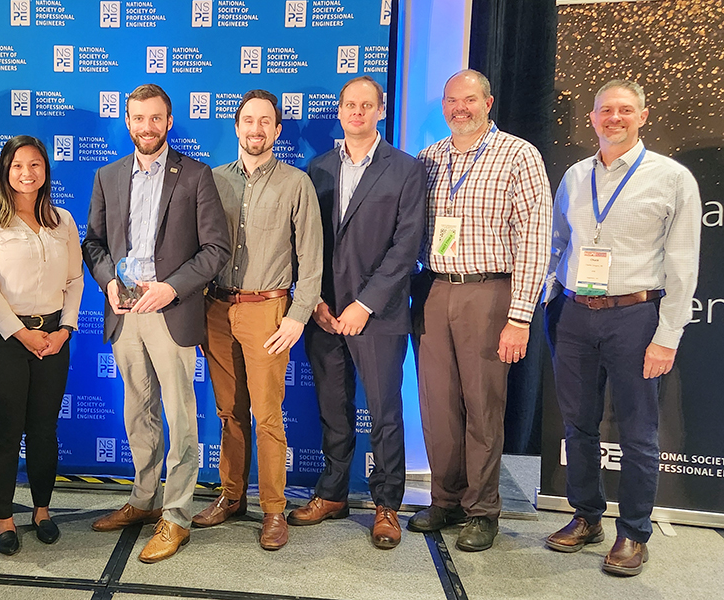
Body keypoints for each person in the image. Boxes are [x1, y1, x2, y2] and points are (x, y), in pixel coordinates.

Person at [543, 80, 700, 576]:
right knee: (578, 425)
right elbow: (556, 244)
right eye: (605, 110)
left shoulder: (671, 178)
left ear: (643, 116)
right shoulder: (573, 176)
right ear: (592, 118)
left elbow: (683, 265)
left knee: (637, 432)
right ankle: (587, 516)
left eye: (625, 110)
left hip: (635, 316)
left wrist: (667, 335)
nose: (614, 118)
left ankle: (633, 532)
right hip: (573, 315)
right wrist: (535, 303)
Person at [83, 83, 230, 563]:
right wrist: (106, 281)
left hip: (171, 311)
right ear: (127, 121)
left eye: (155, 118)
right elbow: (94, 243)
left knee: (180, 417)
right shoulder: (107, 175)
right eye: (138, 118)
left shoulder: (196, 175)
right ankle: (145, 499)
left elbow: (215, 250)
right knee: (137, 412)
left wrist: (172, 287)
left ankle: (177, 515)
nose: (146, 127)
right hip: (124, 313)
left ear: (169, 121)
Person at [409, 69, 551, 552]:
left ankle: (482, 508)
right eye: (452, 100)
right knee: (438, 405)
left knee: (482, 405)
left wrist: (520, 316)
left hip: (489, 292)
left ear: (488, 103)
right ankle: (445, 499)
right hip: (434, 289)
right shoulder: (429, 158)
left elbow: (534, 239)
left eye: (469, 100)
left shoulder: (519, 155)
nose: (459, 109)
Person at [287, 76, 426, 550]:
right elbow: (306, 243)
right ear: (340, 110)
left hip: (378, 315)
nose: (358, 112)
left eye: (367, 105)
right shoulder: (318, 167)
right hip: (325, 314)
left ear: (380, 111)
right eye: (350, 104)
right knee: (333, 409)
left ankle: (387, 504)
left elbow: (406, 246)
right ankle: (333, 494)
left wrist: (364, 305)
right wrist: (318, 304)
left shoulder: (406, 169)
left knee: (385, 411)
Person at [194, 90, 322, 550]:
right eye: (248, 121)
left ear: (277, 129)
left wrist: (298, 316)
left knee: (267, 415)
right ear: (236, 126)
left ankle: (273, 509)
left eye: (264, 122)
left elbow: (312, 258)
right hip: (216, 308)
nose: (255, 130)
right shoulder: (212, 180)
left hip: (269, 311)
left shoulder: (296, 183)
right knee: (229, 412)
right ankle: (231, 497)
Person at [0, 135, 83, 555]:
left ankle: (42, 510)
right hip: (6, 339)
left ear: (46, 170)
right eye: (18, 166)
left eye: (35, 165)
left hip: (54, 337)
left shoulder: (62, 220)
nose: (27, 173)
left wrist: (64, 330)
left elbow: (74, 280)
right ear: (5, 171)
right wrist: (21, 333)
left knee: (44, 429)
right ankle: (3, 518)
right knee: (6, 430)